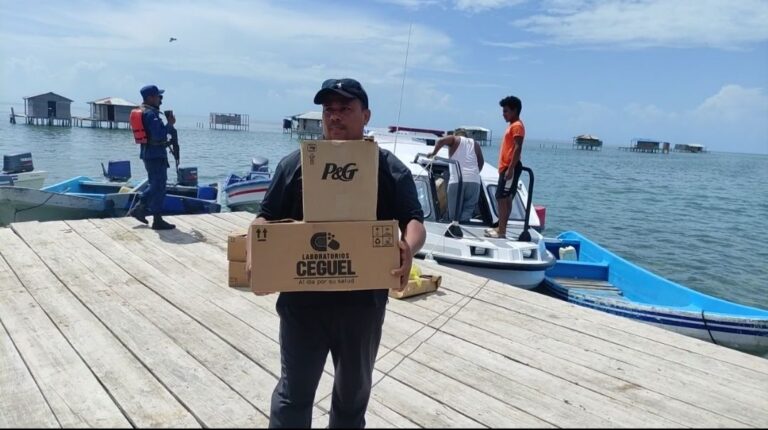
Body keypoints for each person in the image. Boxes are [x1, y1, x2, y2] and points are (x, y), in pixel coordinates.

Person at [248, 78, 426, 428]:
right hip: (302, 303)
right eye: (329, 109)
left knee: (352, 399)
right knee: (293, 395)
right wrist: (256, 252)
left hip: (363, 305)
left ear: (366, 115)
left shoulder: (389, 168)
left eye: (345, 108)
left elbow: (414, 221)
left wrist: (409, 247)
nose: (335, 116)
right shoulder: (295, 164)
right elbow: (263, 218)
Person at [128, 84, 177, 230]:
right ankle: (140, 208)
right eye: (158, 97)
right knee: (157, 185)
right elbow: (159, 135)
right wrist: (170, 125)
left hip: (150, 153)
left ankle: (156, 218)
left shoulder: (146, 112)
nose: (160, 100)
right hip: (155, 155)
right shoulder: (150, 114)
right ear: (150, 97)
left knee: (158, 185)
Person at [428, 128, 484, 237]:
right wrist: (474, 174)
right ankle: (462, 230)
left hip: (458, 180)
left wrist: (433, 153)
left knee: (454, 211)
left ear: (456, 134)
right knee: (468, 208)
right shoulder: (475, 143)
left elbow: (441, 141)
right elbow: (481, 162)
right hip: (474, 181)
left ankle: (454, 229)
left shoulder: (454, 139)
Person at [486, 95, 524, 239]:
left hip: (509, 166)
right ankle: (501, 228)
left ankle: (501, 231)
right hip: (506, 167)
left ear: (515, 110)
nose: (503, 114)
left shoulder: (517, 126)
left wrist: (511, 168)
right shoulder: (512, 126)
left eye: (506, 111)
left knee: (502, 198)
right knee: (505, 198)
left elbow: (518, 147)